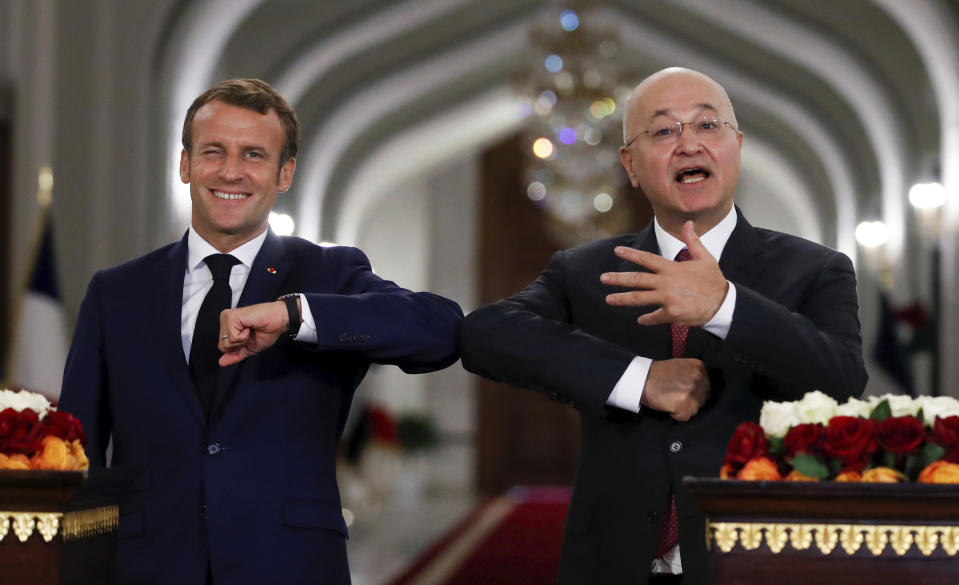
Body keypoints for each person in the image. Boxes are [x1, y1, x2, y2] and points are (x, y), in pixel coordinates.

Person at [459, 67, 867, 585]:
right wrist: (638, 379)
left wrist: (723, 306)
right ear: (630, 164)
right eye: (664, 131)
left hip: (753, 563)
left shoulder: (816, 268)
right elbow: (485, 334)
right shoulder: (587, 270)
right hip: (611, 565)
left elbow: (844, 382)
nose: (688, 144)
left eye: (707, 126)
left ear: (737, 146)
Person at [59, 78, 462, 585]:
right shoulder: (115, 293)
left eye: (253, 154)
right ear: (185, 164)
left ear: (284, 172)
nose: (231, 171)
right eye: (213, 151)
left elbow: (441, 329)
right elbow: (76, 454)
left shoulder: (329, 275)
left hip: (288, 566)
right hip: (146, 567)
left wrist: (297, 317)